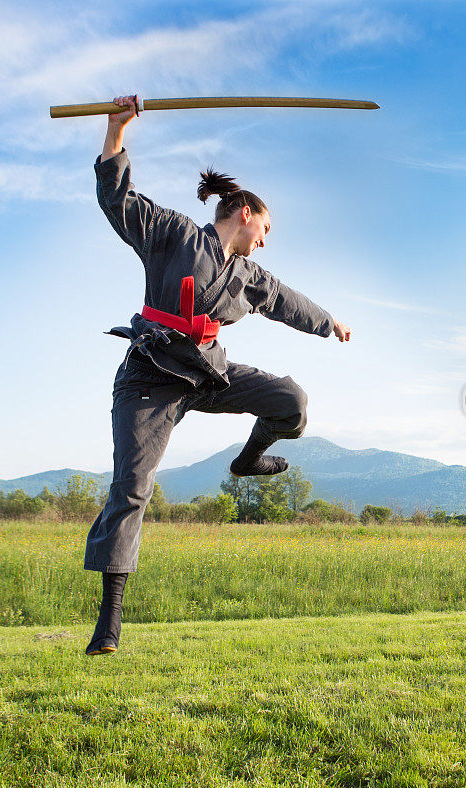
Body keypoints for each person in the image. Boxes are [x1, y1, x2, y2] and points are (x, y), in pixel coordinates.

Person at [84, 96, 351, 655]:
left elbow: (289, 303)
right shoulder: (173, 234)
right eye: (267, 228)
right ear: (245, 213)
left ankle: (248, 461)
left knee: (291, 400)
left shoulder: (250, 276)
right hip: (152, 376)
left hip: (209, 373)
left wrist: (328, 322)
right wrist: (116, 132)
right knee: (131, 490)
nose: (266, 240)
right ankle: (108, 625)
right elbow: (118, 199)